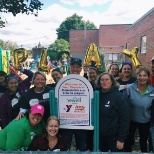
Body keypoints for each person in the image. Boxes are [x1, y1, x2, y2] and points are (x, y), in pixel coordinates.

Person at [97, 72, 130, 152]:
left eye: (107, 79)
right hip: (101, 136)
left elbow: (125, 119)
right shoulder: (97, 95)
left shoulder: (119, 97)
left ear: (112, 81)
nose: (104, 82)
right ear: (99, 82)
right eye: (102, 80)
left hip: (114, 137)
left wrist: (121, 139)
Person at [124, 66, 154, 152]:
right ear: (136, 76)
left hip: (145, 120)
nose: (142, 78)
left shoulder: (152, 90)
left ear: (148, 77)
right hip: (131, 120)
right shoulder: (129, 88)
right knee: (128, 141)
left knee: (143, 142)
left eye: (144, 75)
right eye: (140, 75)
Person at [61, 57, 87, 151]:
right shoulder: (63, 82)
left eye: (77, 67)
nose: (75, 69)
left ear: (81, 69)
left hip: (81, 121)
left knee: (81, 146)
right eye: (73, 66)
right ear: (69, 67)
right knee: (65, 146)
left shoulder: (86, 82)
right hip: (67, 121)